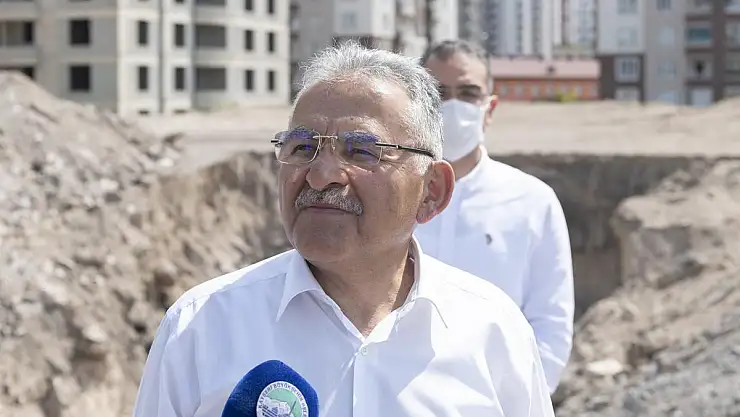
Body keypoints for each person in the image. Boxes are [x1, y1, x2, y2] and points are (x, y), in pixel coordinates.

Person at [132, 41, 555, 417]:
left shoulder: (493, 332)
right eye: (302, 148)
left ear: (431, 191)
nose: (321, 176)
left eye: (361, 151)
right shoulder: (201, 327)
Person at [415, 39, 575, 394]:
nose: (453, 105)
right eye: (439, 93)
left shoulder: (532, 202)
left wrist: (520, 401)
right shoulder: (387, 195)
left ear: (489, 108)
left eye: (468, 93)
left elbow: (551, 324)